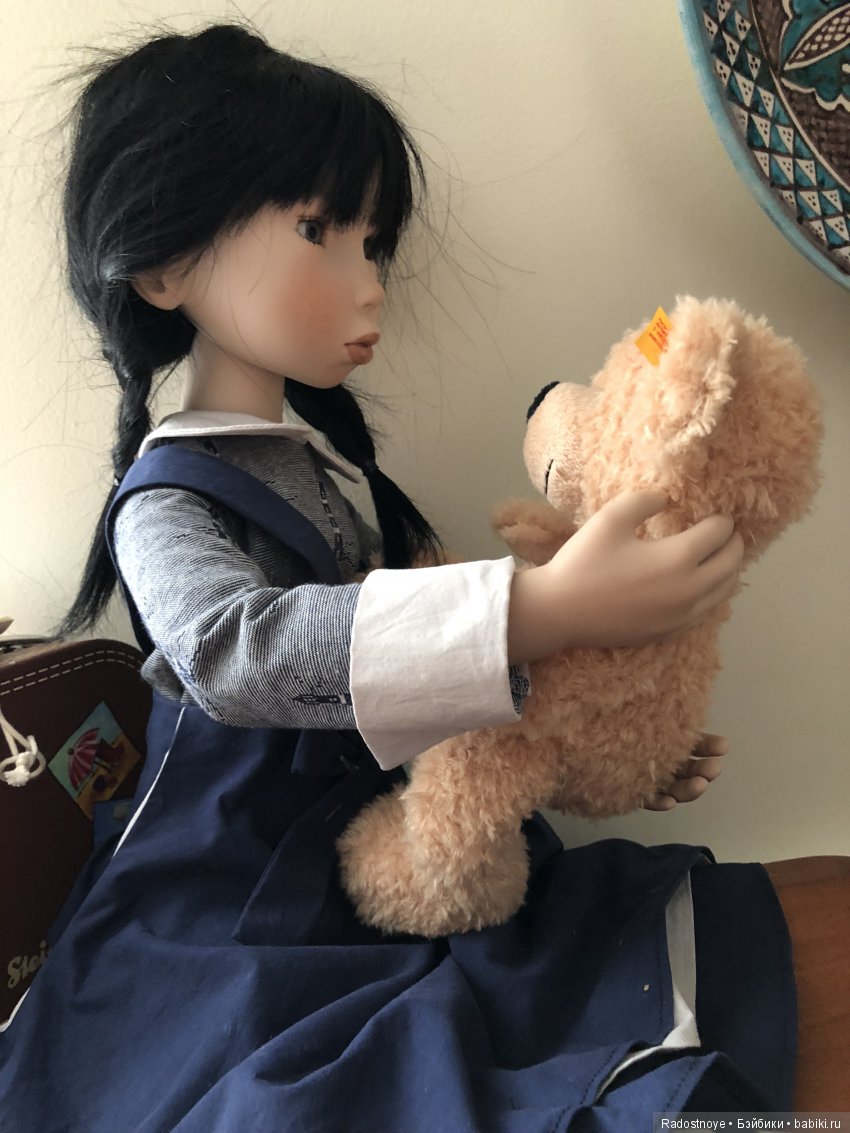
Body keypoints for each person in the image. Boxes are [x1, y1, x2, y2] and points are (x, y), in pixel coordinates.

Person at [0, 22, 794, 1131]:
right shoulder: (164, 499)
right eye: (319, 231)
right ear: (166, 267)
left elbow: (421, 681)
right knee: (314, 1084)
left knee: (537, 981)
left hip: (375, 839)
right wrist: (539, 606)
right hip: (227, 882)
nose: (369, 285)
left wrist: (606, 733)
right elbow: (235, 653)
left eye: (372, 244)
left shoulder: (338, 475)